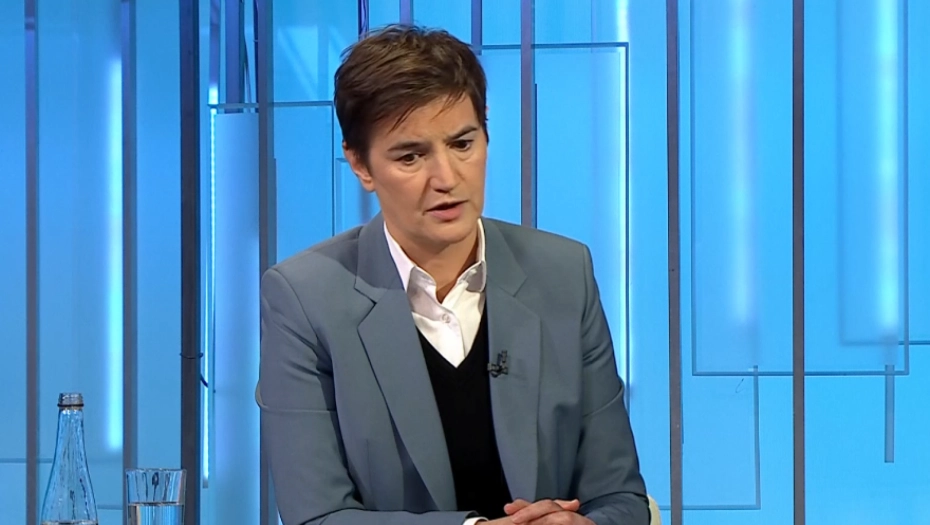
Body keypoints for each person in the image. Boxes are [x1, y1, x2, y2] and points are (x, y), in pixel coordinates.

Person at [256, 24, 649, 525]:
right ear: (360, 165)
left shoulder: (564, 274)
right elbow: (317, 516)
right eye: (411, 156)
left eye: (463, 144)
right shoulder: (304, 299)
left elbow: (621, 498)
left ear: (486, 134)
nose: (446, 178)